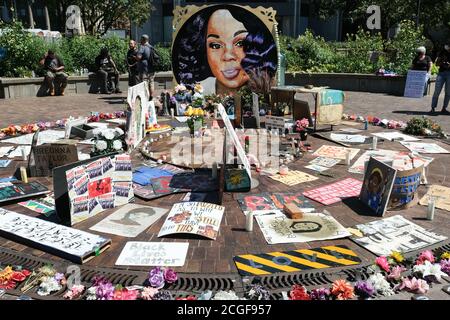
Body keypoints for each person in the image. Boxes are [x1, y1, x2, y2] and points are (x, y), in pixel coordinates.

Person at [172, 5, 277, 95]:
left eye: (240, 43)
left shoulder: (264, 90)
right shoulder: (198, 91)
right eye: (215, 45)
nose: (227, 56)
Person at [136, 34, 157, 100]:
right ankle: (151, 96)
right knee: (151, 82)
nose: (140, 40)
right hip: (152, 68)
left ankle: (145, 97)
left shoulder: (142, 47)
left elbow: (139, 57)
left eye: (141, 39)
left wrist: (135, 57)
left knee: (143, 82)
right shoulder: (151, 47)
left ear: (143, 39)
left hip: (144, 69)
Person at [431, 43, 450, 114]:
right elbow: (436, 63)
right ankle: (433, 107)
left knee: (448, 92)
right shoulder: (442, 52)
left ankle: (444, 108)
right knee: (437, 91)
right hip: (441, 73)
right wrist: (442, 62)